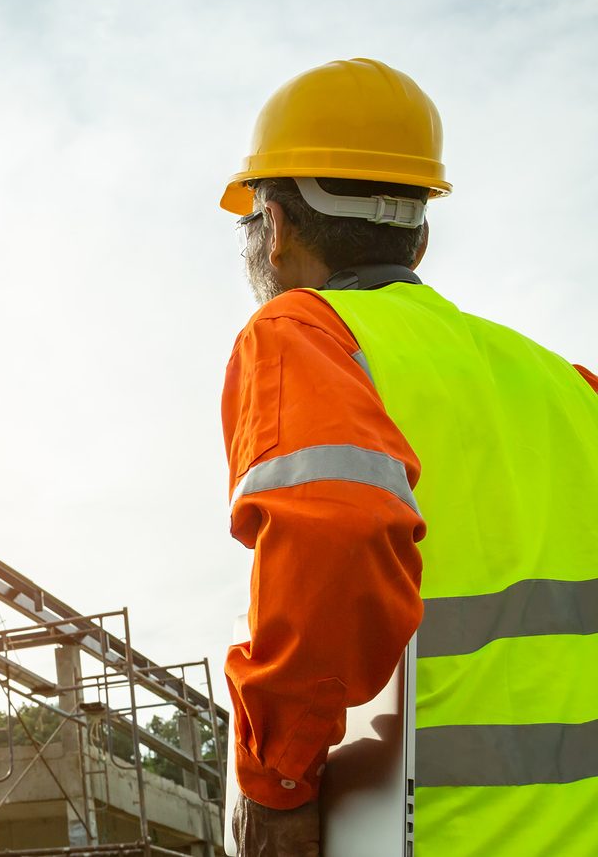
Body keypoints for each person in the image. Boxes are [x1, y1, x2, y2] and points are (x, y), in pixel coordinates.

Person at [221, 58, 598, 855]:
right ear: (420, 235)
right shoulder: (569, 385)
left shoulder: (304, 334)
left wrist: (279, 780)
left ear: (277, 229)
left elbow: (335, 533)